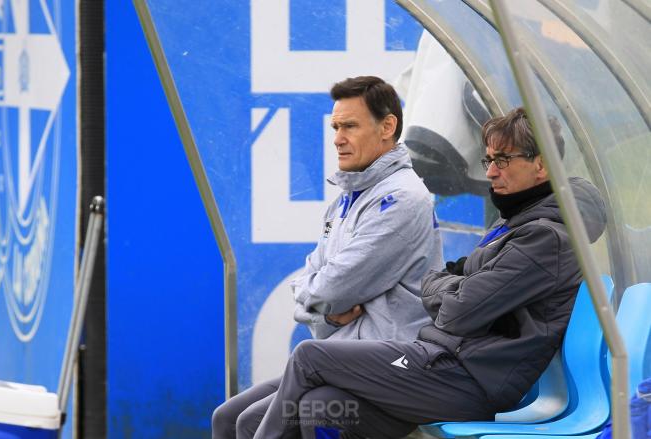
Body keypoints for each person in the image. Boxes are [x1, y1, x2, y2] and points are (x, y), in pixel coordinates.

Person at [250, 107, 607, 439]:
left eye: (502, 159)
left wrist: (447, 288)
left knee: (311, 356)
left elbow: (458, 311)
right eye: (488, 159)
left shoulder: (545, 238)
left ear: (541, 165)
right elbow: (443, 279)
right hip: (440, 362)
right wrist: (449, 286)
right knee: (322, 406)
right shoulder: (518, 222)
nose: (490, 172)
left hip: (465, 379)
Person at [212, 76, 443, 438]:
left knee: (306, 413)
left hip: (389, 365)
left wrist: (322, 302)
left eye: (350, 126)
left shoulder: (402, 198)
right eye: (335, 126)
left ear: (387, 127)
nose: (337, 138)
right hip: (340, 354)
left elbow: (332, 287)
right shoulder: (346, 200)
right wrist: (326, 312)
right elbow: (312, 280)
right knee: (230, 418)